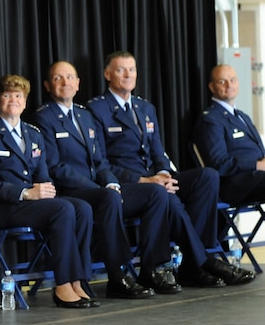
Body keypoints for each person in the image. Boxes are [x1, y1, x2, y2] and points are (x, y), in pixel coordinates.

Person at [87, 50, 255, 288]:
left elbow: (158, 151)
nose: (128, 75)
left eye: (132, 69)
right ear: (107, 74)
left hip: (156, 178)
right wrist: (145, 180)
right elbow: (100, 161)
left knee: (207, 176)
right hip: (128, 183)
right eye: (120, 70)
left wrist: (164, 173)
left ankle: (192, 261)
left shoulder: (145, 107)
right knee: (168, 199)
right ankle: (201, 262)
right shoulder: (97, 109)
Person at [34, 61, 177, 298]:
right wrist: (99, 188)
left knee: (155, 193)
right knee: (109, 198)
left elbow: (100, 161)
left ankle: (152, 269)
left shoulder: (84, 115)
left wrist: (111, 182)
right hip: (70, 191)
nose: (65, 82)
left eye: (70, 77)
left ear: (78, 84)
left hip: (101, 190)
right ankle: (118, 274)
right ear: (48, 85)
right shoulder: (44, 117)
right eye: (58, 78)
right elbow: (55, 167)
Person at [0, 74, 98, 308]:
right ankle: (63, 285)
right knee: (62, 209)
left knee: (81, 208)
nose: (13, 99)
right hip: (1, 206)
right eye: (7, 95)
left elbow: (43, 176)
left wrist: (45, 189)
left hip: (30, 204)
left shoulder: (34, 134)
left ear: (25, 101)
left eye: (18, 95)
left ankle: (78, 280)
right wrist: (26, 193)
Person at [194, 64, 265, 206]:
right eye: (222, 81)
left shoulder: (242, 116)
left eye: (233, 80)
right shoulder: (211, 119)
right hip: (235, 184)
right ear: (212, 87)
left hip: (256, 178)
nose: (229, 85)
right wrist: (257, 165)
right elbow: (219, 163)